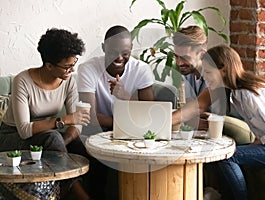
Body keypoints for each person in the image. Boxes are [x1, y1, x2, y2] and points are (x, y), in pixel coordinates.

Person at [173, 45, 265, 200]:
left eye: (208, 72)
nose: (205, 77)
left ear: (223, 70)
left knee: (228, 156)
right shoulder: (236, 93)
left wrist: (259, 142)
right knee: (220, 155)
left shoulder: (248, 93)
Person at [0, 28, 92, 200]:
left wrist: (60, 145)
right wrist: (63, 121)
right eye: (67, 66)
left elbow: (76, 123)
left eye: (74, 64)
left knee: (82, 144)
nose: (72, 70)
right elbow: (24, 130)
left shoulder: (68, 81)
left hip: (47, 136)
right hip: (11, 136)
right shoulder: (23, 81)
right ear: (49, 65)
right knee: (53, 138)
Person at [77, 25, 154, 133]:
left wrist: (125, 95)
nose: (119, 58)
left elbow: (148, 112)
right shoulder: (88, 69)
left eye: (125, 53)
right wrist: (124, 125)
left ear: (131, 47)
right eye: (113, 52)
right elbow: (90, 117)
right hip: (98, 130)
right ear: (104, 48)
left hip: (132, 129)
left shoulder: (141, 69)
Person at [173, 25, 207, 101]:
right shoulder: (187, 76)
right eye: (176, 56)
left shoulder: (216, 78)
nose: (179, 63)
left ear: (202, 54)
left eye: (185, 58)